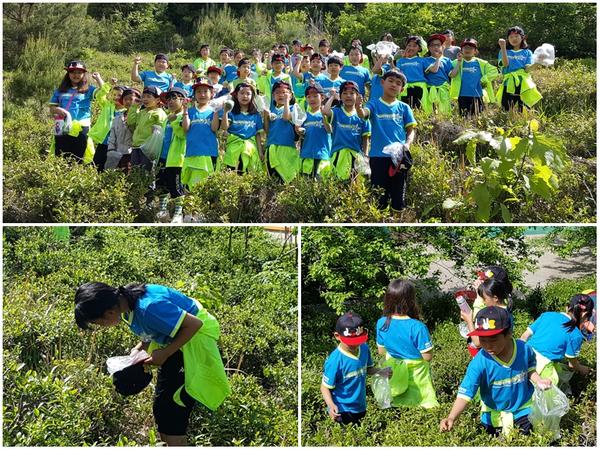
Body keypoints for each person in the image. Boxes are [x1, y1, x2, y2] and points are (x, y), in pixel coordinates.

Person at [74, 282, 231, 446]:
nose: (102, 327)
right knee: (162, 408)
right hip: (177, 345)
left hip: (193, 344)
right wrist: (139, 348)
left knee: (172, 410)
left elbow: (195, 324)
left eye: (99, 323)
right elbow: (154, 328)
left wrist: (165, 353)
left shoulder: (148, 307)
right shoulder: (126, 303)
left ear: (109, 312)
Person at [440, 306, 553, 437]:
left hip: (523, 410)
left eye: (493, 339)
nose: (487, 346)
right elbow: (466, 393)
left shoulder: (524, 349)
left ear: (508, 333)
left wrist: (538, 380)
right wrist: (452, 417)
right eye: (482, 340)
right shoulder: (479, 362)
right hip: (494, 416)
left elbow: (530, 369)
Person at [356, 69, 416, 211]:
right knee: (379, 196)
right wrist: (359, 107)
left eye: (398, 83)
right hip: (378, 157)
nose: (394, 85)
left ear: (402, 89)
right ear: (382, 83)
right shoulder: (374, 104)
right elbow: (363, 114)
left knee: (398, 197)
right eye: (390, 81)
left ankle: (397, 224)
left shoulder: (404, 108)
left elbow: (411, 130)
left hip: (399, 157)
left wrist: (407, 144)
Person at [376, 279, 439, 408]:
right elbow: (427, 357)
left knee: (397, 405)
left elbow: (381, 351)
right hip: (417, 377)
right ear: (411, 301)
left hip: (393, 375)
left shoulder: (382, 323)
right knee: (421, 407)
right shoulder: (417, 327)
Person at [321, 312, 392, 425]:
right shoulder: (334, 361)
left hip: (360, 405)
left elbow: (367, 369)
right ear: (337, 336)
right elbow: (325, 387)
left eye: (358, 341)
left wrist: (380, 372)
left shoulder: (364, 348)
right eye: (350, 343)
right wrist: (331, 405)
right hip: (342, 409)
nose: (355, 346)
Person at [520, 294, 594, 384]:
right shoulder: (576, 335)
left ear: (567, 307)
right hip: (542, 369)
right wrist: (584, 369)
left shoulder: (547, 315)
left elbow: (524, 337)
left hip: (524, 356)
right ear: (586, 315)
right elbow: (572, 365)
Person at [49, 60, 101, 161]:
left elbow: (105, 93)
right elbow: (52, 108)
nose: (76, 75)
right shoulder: (60, 90)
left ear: (83, 74)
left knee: (79, 155)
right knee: (60, 154)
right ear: (68, 73)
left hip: (81, 127)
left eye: (79, 72)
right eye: (73, 72)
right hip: (63, 125)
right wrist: (58, 109)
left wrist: (98, 79)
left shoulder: (89, 89)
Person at [323, 81, 371, 181]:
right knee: (338, 184)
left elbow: (365, 138)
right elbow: (325, 111)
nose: (348, 96)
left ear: (358, 96)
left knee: (355, 185)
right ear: (340, 96)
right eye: (344, 93)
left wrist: (365, 156)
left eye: (352, 93)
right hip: (338, 155)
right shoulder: (336, 112)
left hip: (356, 156)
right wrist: (332, 97)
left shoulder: (362, 116)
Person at [462, 266, 514, 357]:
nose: (483, 301)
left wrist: (469, 320)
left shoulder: (495, 315)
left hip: (490, 357)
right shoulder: (504, 306)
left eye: (484, 298)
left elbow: (477, 342)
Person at [154, 87, 187, 223]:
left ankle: (179, 213)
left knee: (176, 186)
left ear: (182, 100)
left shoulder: (183, 116)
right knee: (161, 183)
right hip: (163, 156)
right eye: (168, 99)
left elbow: (182, 134)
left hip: (176, 158)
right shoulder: (167, 118)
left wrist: (174, 121)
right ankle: (163, 210)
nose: (170, 102)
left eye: (174, 98)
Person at [182, 78, 221, 191]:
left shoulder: (213, 111)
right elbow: (186, 128)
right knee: (191, 186)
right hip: (192, 153)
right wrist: (185, 110)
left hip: (209, 153)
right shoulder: (191, 111)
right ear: (194, 94)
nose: (202, 94)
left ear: (211, 93)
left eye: (205, 91)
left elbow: (214, 128)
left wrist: (216, 111)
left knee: (208, 186)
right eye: (199, 91)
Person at [220, 83, 265, 173]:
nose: (245, 96)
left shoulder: (256, 115)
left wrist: (260, 152)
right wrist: (225, 112)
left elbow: (258, 135)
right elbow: (224, 127)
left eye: (248, 94)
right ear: (236, 95)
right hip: (233, 149)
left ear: (252, 96)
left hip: (251, 150)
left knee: (249, 176)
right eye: (242, 93)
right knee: (232, 175)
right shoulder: (231, 113)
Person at [449, 38, 499, 117]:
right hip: (462, 95)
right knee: (464, 118)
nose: (467, 50)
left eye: (471, 48)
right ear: (461, 50)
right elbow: (451, 75)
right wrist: (459, 62)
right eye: (465, 48)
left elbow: (494, 71)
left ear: (475, 51)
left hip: (477, 95)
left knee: (477, 118)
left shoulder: (481, 63)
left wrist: (484, 80)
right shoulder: (455, 62)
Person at [496, 26, 542, 111]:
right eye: (511, 37)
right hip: (508, 84)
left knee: (524, 110)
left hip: (524, 84)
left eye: (517, 36)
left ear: (522, 37)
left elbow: (527, 69)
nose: (514, 39)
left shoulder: (527, 52)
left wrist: (538, 62)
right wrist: (503, 47)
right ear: (508, 39)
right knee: (506, 109)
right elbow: (505, 65)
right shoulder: (503, 51)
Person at [264, 81, 300, 183]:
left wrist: (287, 102)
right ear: (273, 95)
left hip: (287, 147)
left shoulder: (293, 108)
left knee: (287, 176)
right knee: (273, 178)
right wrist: (266, 117)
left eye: (284, 92)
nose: (281, 95)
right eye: (277, 93)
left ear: (290, 94)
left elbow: (285, 117)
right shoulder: (272, 110)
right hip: (271, 147)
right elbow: (267, 130)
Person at [127, 86, 168, 172]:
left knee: (146, 173)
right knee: (135, 172)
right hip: (136, 146)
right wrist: (134, 107)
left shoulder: (159, 112)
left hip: (148, 149)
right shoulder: (142, 112)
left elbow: (160, 130)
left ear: (157, 100)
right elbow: (131, 122)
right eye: (143, 96)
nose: (145, 99)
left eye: (149, 97)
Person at [88, 79, 125, 171]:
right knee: (97, 164)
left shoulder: (126, 111)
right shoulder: (108, 105)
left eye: (119, 95)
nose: (116, 97)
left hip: (117, 144)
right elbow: (100, 96)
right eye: (114, 94)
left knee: (112, 166)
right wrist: (108, 84)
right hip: (104, 141)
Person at [298, 85, 332, 178]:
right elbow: (299, 136)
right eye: (309, 97)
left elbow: (329, 130)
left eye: (315, 96)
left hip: (322, 156)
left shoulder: (328, 114)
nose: (312, 99)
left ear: (322, 97)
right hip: (306, 155)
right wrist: (299, 132)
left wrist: (324, 116)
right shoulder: (303, 116)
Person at [106, 87, 140, 171]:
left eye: (130, 99)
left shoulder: (140, 116)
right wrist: (111, 149)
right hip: (116, 152)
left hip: (130, 154)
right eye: (125, 99)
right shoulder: (118, 117)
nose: (127, 101)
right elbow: (112, 134)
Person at [395, 36, 429, 109]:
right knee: (405, 110)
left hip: (419, 88)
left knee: (419, 109)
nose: (411, 48)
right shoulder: (400, 61)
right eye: (409, 45)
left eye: (414, 46)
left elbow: (430, 71)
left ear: (419, 48)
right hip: (405, 88)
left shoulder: (422, 60)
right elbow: (397, 72)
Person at [423, 34, 454, 115]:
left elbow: (452, 75)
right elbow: (434, 70)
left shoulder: (447, 60)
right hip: (430, 89)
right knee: (431, 113)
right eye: (433, 45)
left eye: (438, 45)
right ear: (429, 48)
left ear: (442, 47)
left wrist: (459, 63)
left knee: (444, 112)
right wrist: (438, 58)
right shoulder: (425, 60)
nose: (436, 47)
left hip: (443, 89)